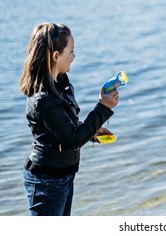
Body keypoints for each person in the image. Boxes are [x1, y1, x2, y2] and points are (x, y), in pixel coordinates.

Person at [19, 22, 119, 216]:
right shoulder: (43, 99)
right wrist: (103, 107)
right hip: (46, 180)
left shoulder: (61, 83)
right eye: (71, 51)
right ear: (56, 56)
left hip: (63, 175)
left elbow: (65, 130)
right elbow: (73, 140)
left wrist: (91, 131)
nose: (74, 57)